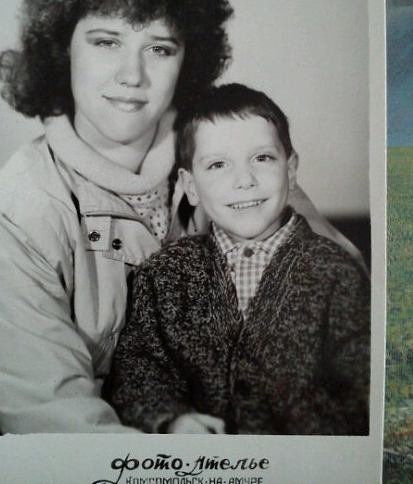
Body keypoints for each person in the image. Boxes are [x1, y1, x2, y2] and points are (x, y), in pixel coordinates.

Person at [0, 0, 359, 434]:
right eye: (106, 41)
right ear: (61, 49)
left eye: (159, 48)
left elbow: (347, 303)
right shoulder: (15, 214)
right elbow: (58, 422)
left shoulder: (233, 161)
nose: (133, 75)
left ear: (189, 58)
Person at [109, 83, 370, 435]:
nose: (244, 180)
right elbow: (140, 371)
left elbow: (363, 387)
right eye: (218, 164)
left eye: (262, 158)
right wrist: (172, 419)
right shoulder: (163, 275)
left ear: (291, 170)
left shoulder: (335, 272)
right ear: (190, 186)